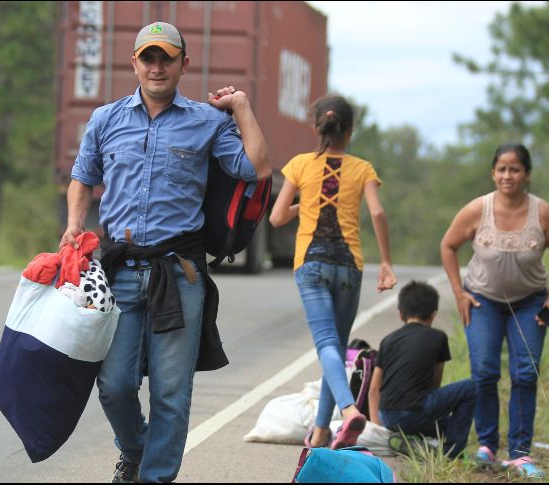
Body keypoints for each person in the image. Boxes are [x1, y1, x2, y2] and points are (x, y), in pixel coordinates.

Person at [61, 21, 271, 483]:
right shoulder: (106, 119)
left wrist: (241, 107)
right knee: (114, 385)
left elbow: (256, 167)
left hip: (179, 274)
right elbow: (82, 177)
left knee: (171, 392)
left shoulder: (207, 122)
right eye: (148, 58)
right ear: (135, 63)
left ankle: (154, 477)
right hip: (118, 274)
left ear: (183, 64)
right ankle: (135, 450)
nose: (157, 67)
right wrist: (74, 225)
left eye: (166, 58)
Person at [269, 94, 396, 450]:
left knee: (326, 344)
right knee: (335, 348)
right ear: (350, 131)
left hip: (311, 263)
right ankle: (322, 431)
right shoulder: (363, 168)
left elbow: (276, 217)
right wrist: (386, 262)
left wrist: (304, 204)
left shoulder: (300, 164)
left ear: (316, 128)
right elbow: (378, 213)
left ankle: (348, 408)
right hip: (349, 265)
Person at [440, 143, 547, 479]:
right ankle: (486, 445)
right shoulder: (478, 209)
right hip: (482, 300)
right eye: (501, 169)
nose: (507, 175)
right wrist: (459, 293)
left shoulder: (542, 212)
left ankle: (520, 454)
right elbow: (448, 245)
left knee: (525, 373)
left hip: (530, 301)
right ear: (493, 173)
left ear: (526, 174)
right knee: (485, 371)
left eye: (514, 169)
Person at [368, 280, 476, 458]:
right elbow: (434, 384)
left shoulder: (387, 340)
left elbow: (374, 389)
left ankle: (410, 440)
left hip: (387, 416)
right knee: (471, 387)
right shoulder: (438, 337)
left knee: (445, 424)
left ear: (400, 313)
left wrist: (378, 430)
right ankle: (452, 452)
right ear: (433, 315)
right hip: (415, 413)